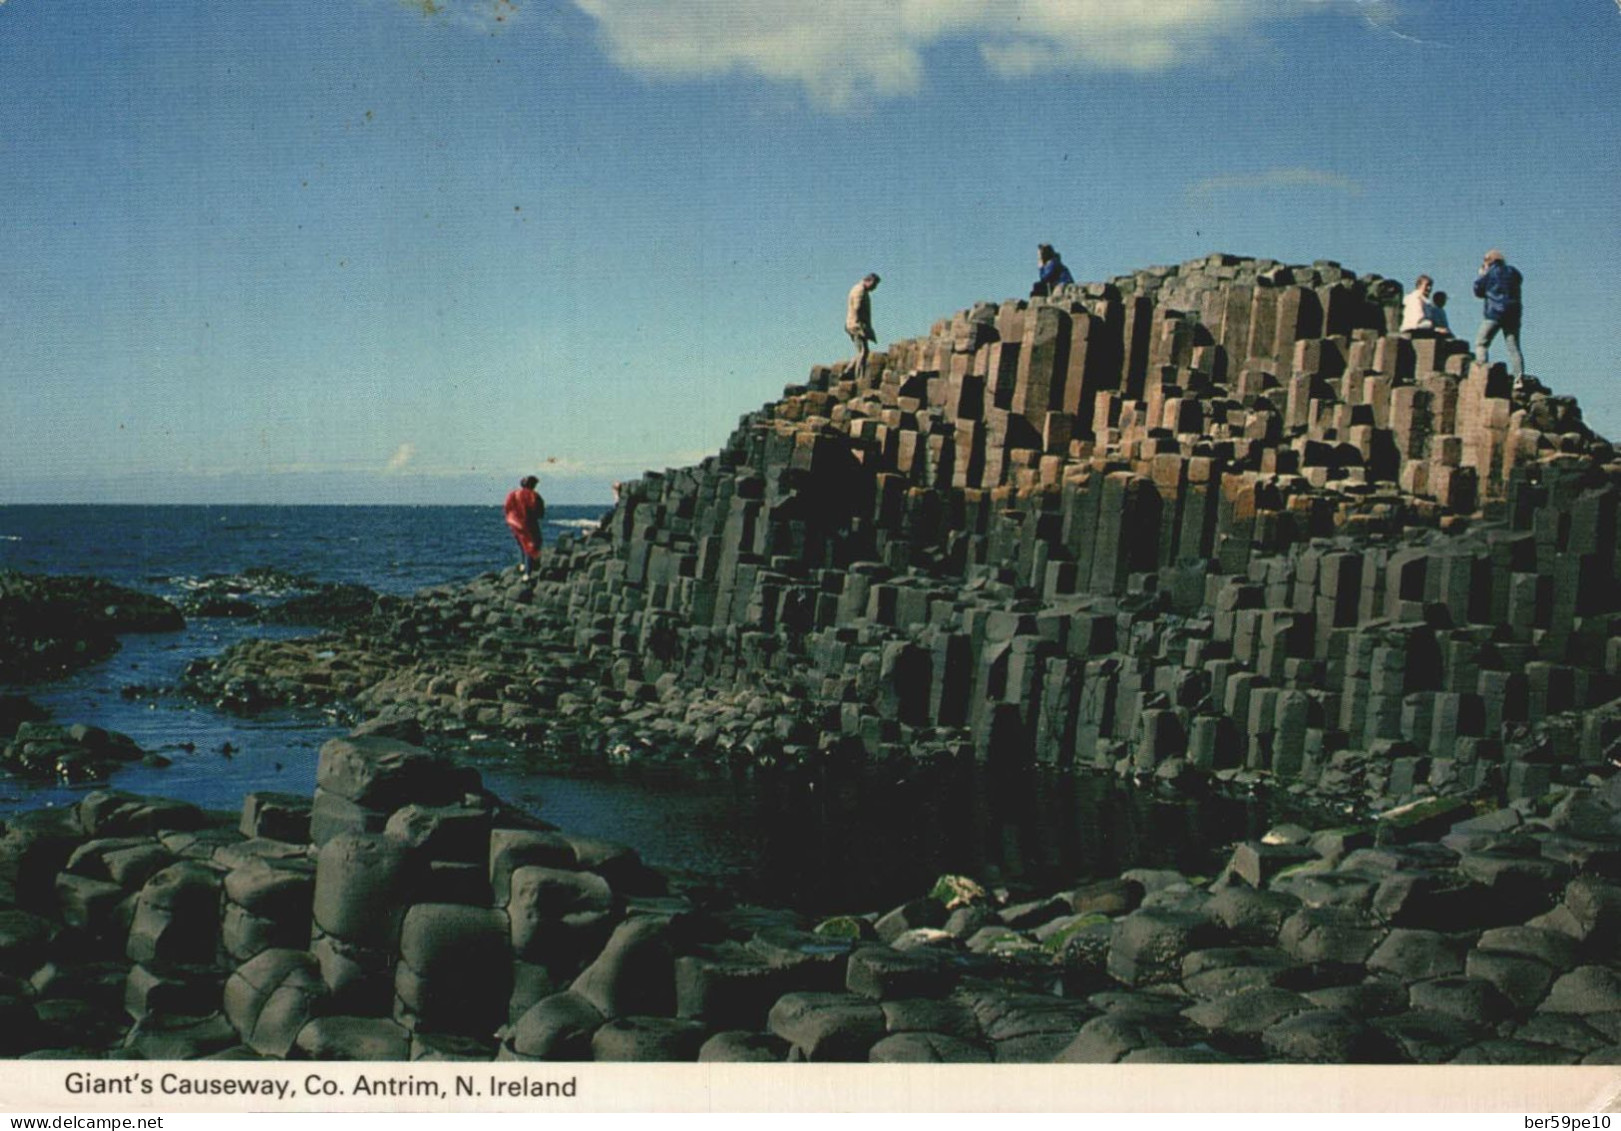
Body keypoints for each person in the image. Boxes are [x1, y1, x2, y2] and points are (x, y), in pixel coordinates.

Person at [1473, 248, 1524, 379]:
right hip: (1513, 314)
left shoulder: (1490, 273)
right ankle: (1519, 378)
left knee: (1481, 343)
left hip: (1494, 313)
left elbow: (1478, 291)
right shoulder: (1514, 272)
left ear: (1490, 261)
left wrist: (1481, 274)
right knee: (1514, 348)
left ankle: (1482, 374)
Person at [503, 475, 545, 577]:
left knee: (522, 545)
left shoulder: (513, 494)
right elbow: (539, 512)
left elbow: (507, 508)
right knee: (533, 545)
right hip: (528, 523)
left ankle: (523, 564)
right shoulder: (533, 495)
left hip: (514, 523)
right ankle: (528, 573)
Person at [846, 273, 879, 382]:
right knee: (863, 351)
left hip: (854, 324)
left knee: (861, 351)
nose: (874, 288)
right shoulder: (860, 290)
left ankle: (848, 371)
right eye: (874, 285)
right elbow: (857, 307)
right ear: (868, 281)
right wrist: (861, 326)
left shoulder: (858, 289)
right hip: (857, 325)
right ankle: (858, 376)